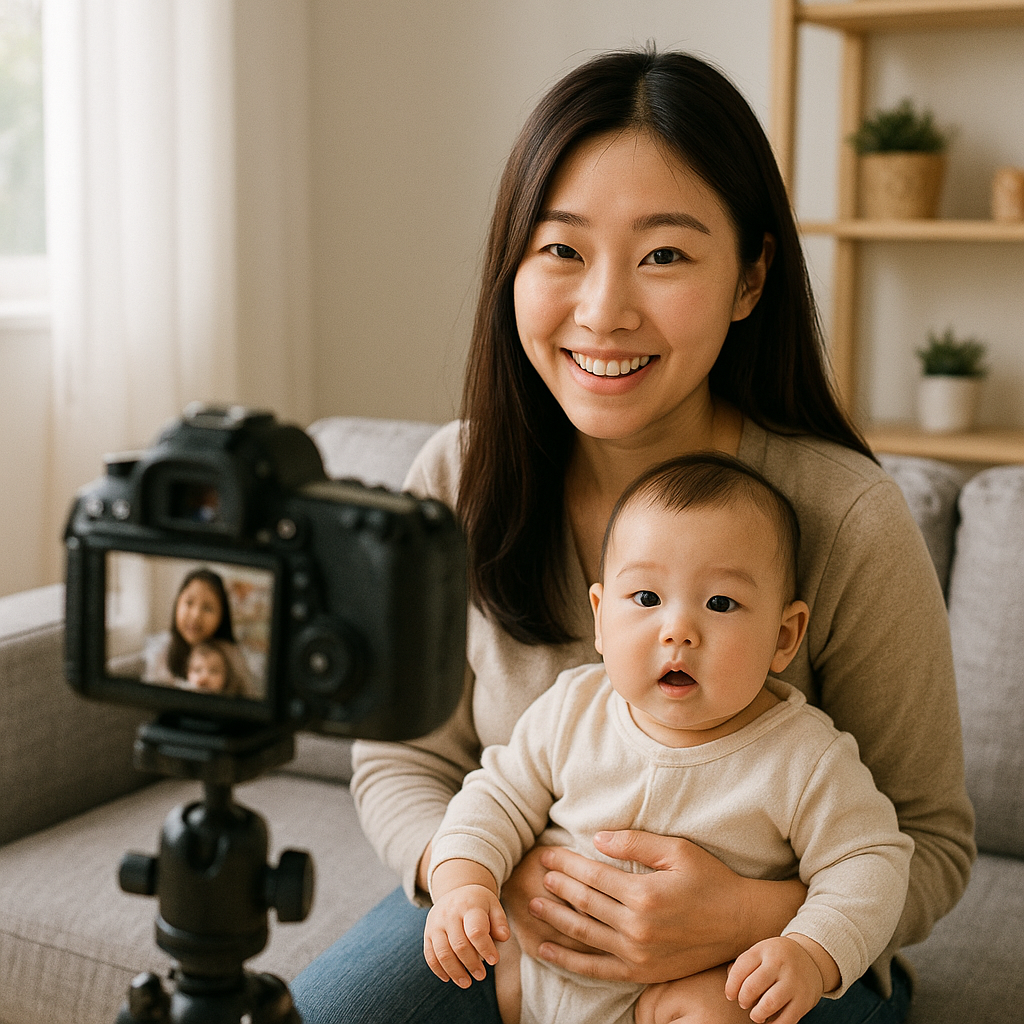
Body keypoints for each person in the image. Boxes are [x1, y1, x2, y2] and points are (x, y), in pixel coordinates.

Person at [290, 48, 974, 1024]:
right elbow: (402, 758)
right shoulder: (456, 477)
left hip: (767, 968)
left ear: (749, 279)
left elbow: (934, 841)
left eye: (663, 255)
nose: (603, 309)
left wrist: (748, 913)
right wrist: (472, 874)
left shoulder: (845, 515)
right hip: (514, 923)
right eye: (560, 249)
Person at [423, 454, 914, 1024]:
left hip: (679, 993)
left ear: (784, 637)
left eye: (721, 603)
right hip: (536, 967)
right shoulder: (571, 710)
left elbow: (871, 861)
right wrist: (463, 883)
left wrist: (811, 951)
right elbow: (493, 799)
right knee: (467, 957)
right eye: (648, 599)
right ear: (602, 619)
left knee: (721, 1011)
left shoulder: (803, 759)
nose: (677, 630)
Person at [142, 567, 252, 693]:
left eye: (208, 608)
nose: (196, 615)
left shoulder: (233, 657)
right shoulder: (159, 651)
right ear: (177, 603)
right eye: (189, 602)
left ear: (222, 616)